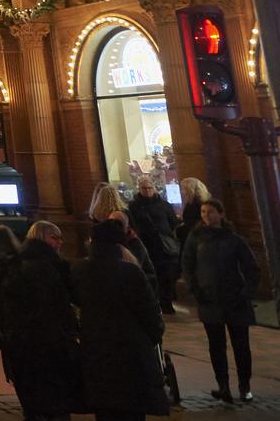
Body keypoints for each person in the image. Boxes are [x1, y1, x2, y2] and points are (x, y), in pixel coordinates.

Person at [71, 218, 169, 420]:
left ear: (92, 241)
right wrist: (151, 338)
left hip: (96, 350)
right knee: (132, 409)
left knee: (105, 409)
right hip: (131, 351)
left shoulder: (79, 270)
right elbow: (150, 313)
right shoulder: (131, 272)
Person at [0, 219, 78, 421]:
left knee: (32, 401)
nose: (60, 242)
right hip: (48, 343)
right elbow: (58, 306)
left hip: (20, 344)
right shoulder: (49, 267)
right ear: (41, 238)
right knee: (56, 401)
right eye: (54, 237)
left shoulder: (15, 265)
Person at [182, 198, 259, 403]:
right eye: (203, 212)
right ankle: (223, 385)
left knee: (241, 345)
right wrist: (195, 289)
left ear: (221, 214)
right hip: (209, 300)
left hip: (234, 300)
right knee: (216, 345)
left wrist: (245, 293)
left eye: (211, 212)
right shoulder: (196, 238)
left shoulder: (234, 239)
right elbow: (187, 264)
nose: (206, 215)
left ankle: (245, 385)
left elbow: (251, 268)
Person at [128, 178, 182, 313]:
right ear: (139, 189)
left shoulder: (164, 205)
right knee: (152, 275)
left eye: (149, 188)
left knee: (167, 274)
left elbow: (173, 222)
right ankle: (156, 301)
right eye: (144, 188)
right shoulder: (134, 206)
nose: (147, 191)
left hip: (164, 246)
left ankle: (166, 302)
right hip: (146, 245)